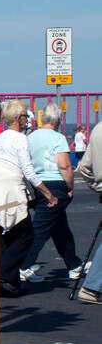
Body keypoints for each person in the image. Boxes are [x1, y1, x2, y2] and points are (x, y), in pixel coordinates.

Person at [0, 100, 58, 297]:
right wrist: (48, 193)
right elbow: (28, 170)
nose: (27, 120)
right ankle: (4, 276)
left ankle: (9, 281)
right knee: (25, 234)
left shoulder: (0, 137)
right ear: (19, 119)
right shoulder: (21, 139)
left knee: (4, 234)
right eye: (25, 116)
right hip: (10, 189)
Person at [20, 103, 84, 282]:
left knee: (59, 227)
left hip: (36, 185)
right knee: (41, 229)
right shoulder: (58, 138)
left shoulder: (30, 137)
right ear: (59, 120)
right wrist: (70, 187)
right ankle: (23, 266)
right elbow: (64, 165)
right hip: (55, 184)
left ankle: (74, 265)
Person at [73, 122, 102, 303]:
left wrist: (98, 187)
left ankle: (93, 285)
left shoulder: (98, 128)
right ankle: (93, 286)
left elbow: (84, 167)